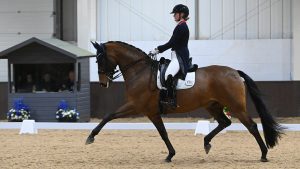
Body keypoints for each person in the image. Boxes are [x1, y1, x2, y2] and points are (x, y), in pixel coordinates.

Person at [149, 4, 190, 108]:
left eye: (175, 13)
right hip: (176, 55)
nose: (174, 16)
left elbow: (171, 43)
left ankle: (172, 100)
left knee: (169, 74)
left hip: (179, 56)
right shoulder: (180, 26)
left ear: (182, 14)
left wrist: (157, 50)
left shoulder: (182, 27)